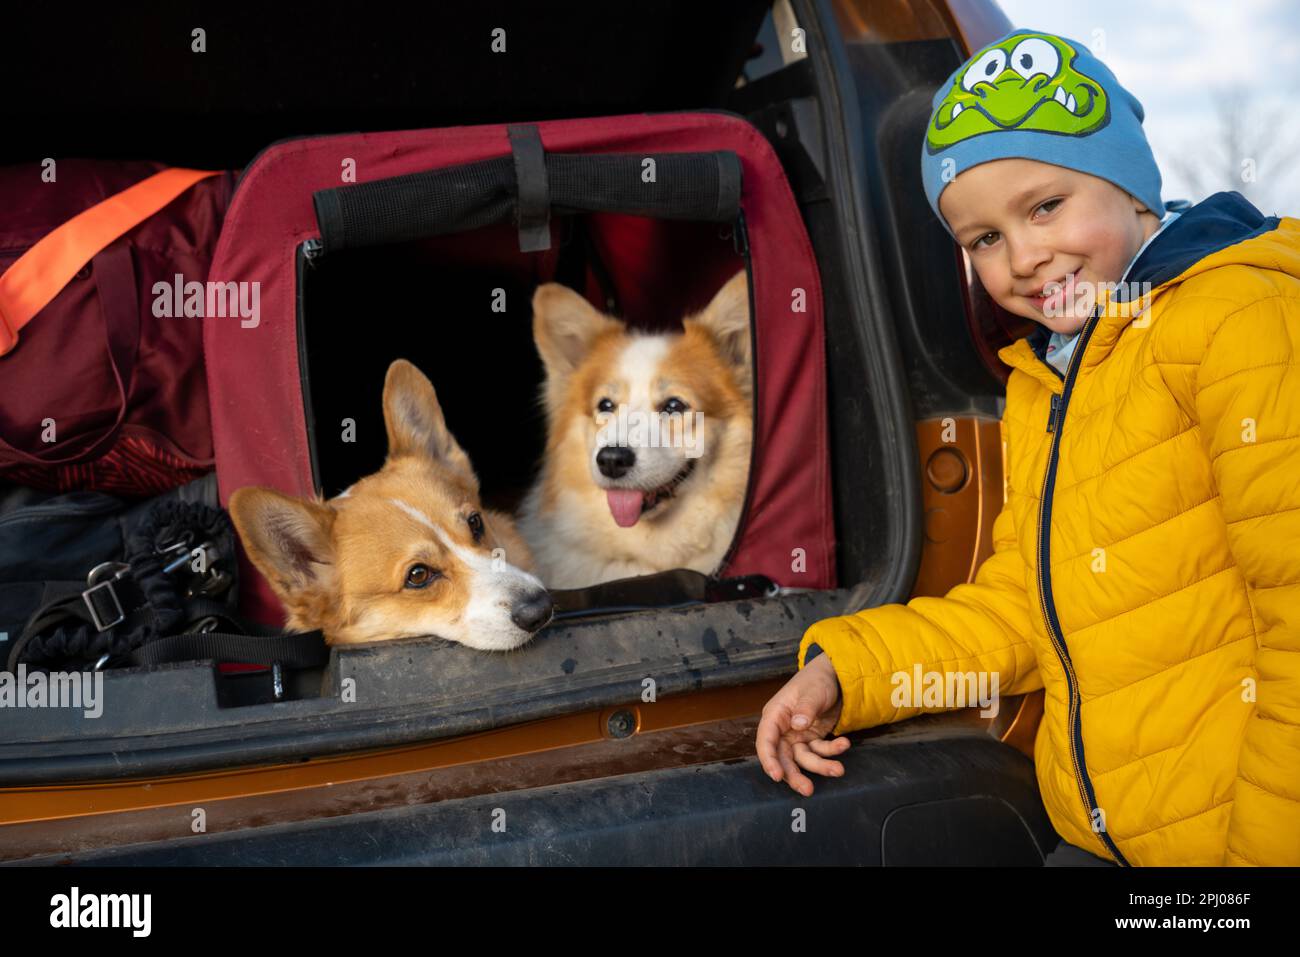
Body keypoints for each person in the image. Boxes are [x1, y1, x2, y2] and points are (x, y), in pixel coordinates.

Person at [755, 28, 1300, 867]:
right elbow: (1024, 605)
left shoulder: (1238, 322)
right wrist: (845, 673)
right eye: (983, 240)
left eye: (1045, 206)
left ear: (1131, 183)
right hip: (1102, 841)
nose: (1026, 258)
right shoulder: (1047, 378)